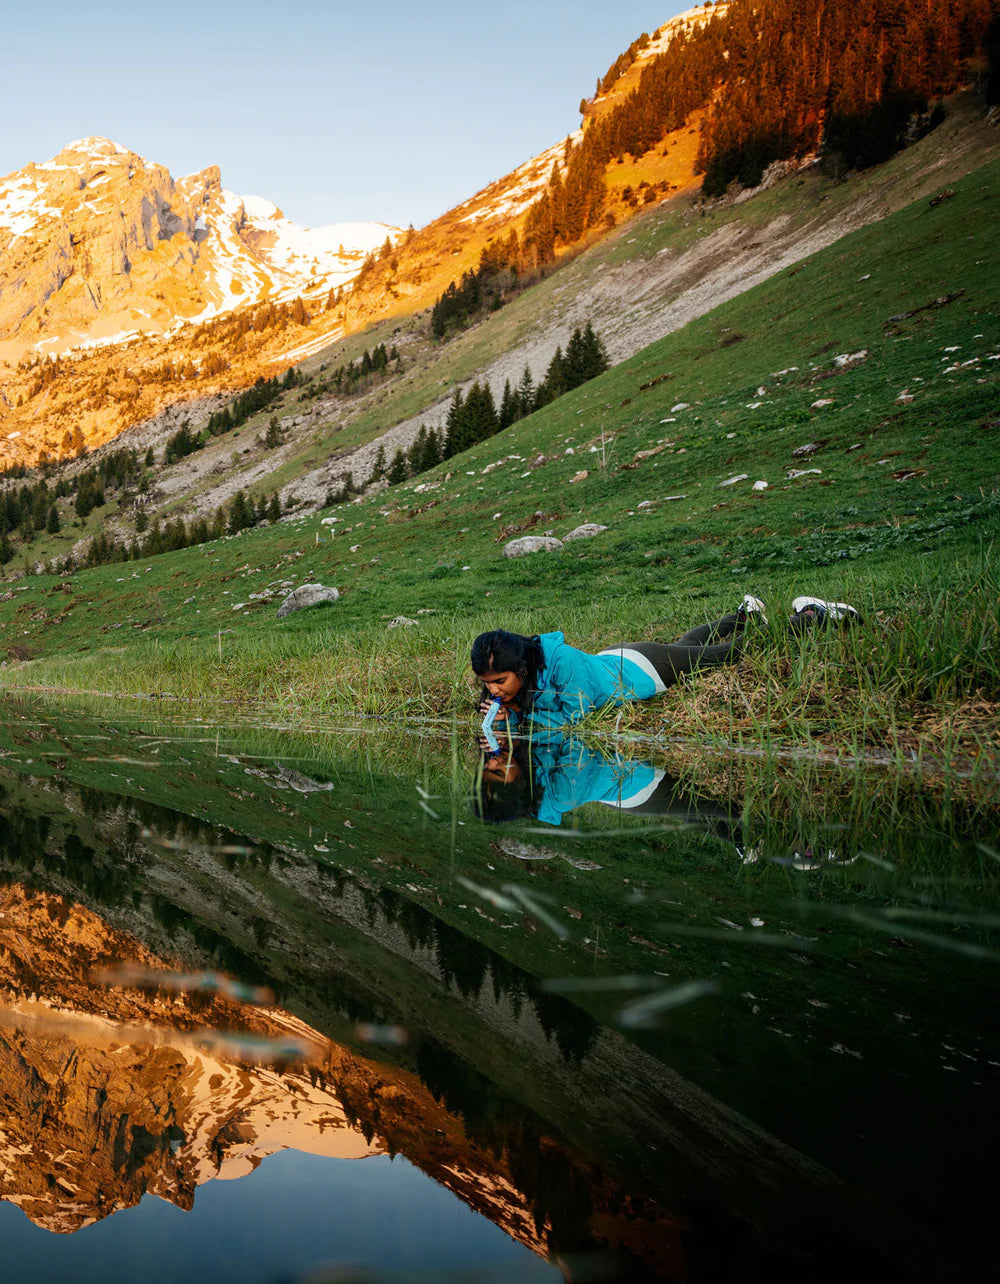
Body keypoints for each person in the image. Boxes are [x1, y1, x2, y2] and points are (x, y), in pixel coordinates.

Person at [471, 594, 860, 731]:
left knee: (729, 655)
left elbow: (576, 716)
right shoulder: (521, 680)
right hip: (621, 657)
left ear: (520, 667)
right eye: (488, 684)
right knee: (688, 646)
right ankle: (742, 615)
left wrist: (519, 715)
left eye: (500, 681)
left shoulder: (562, 661)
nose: (494, 690)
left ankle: (812, 616)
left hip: (645, 670)